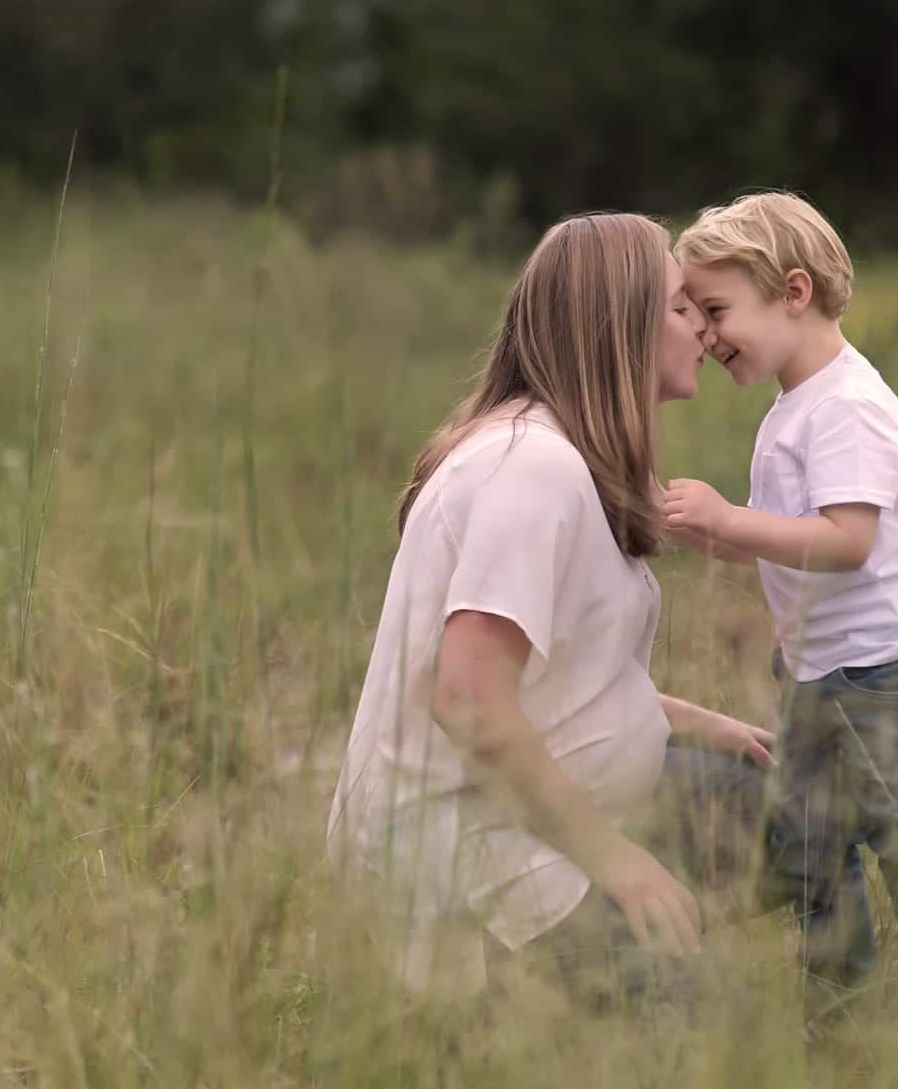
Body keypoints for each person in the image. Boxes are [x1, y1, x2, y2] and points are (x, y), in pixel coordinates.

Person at [326, 213, 775, 1004]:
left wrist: (700, 723)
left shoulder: (562, 458)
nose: (702, 327)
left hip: (520, 812)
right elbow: (466, 697)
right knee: (702, 1035)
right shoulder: (529, 470)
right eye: (679, 308)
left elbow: (549, 674)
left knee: (765, 806)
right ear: (621, 330)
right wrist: (617, 863)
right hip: (463, 843)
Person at [664, 192, 898, 1043]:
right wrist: (715, 537)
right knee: (817, 857)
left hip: (890, 677)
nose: (704, 335)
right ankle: (839, 1023)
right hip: (821, 676)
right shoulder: (795, 407)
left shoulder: (849, 403)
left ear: (791, 291)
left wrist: (728, 520)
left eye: (715, 310)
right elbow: (794, 538)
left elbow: (847, 540)